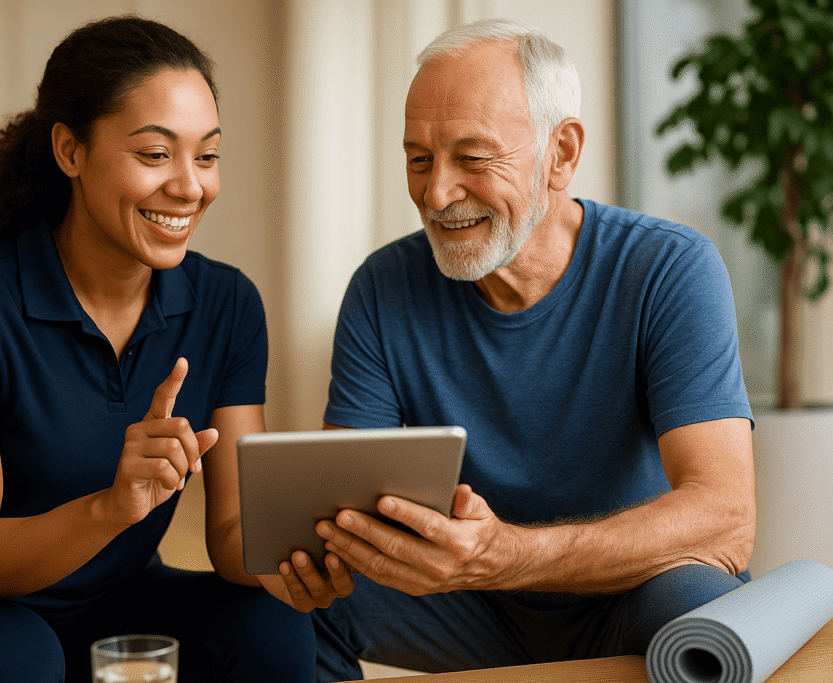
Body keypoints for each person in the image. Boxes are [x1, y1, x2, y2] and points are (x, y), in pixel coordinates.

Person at [0, 15, 319, 683]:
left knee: (275, 626)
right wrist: (111, 507)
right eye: (155, 154)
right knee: (20, 656)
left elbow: (234, 535)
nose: (189, 185)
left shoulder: (228, 305)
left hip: (112, 600)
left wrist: (305, 554)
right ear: (70, 151)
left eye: (206, 155)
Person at [309, 18, 756, 682]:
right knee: (289, 605)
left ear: (561, 153)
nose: (436, 194)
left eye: (473, 157)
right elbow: (348, 510)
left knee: (704, 613)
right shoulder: (382, 286)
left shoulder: (669, 267)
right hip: (467, 603)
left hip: (631, 593)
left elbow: (725, 518)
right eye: (419, 158)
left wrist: (508, 553)